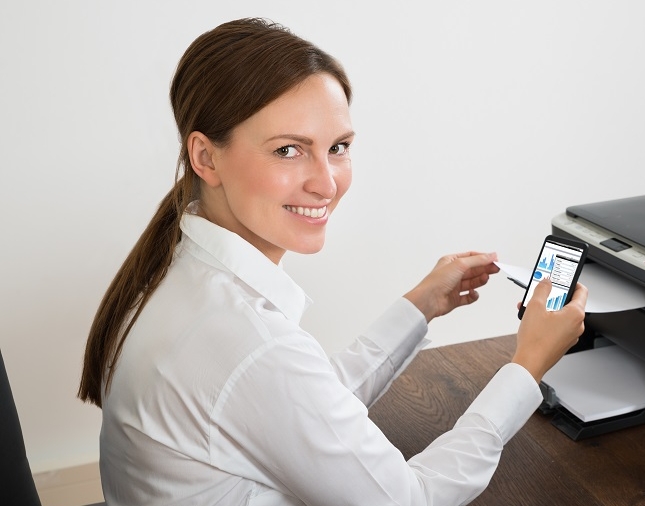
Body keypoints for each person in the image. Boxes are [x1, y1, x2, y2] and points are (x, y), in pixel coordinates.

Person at [78, 17, 587, 506]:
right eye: (288, 151)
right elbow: (411, 499)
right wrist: (527, 366)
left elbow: (304, 411)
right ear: (206, 157)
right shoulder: (250, 344)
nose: (326, 182)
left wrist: (421, 305)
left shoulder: (180, 272)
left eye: (338, 147)